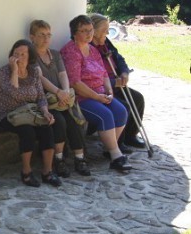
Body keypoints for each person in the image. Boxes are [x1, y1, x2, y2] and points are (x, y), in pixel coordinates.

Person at [60, 15, 132, 171]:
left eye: (91, 30)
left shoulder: (92, 49)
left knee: (121, 111)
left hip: (100, 93)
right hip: (82, 97)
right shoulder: (71, 52)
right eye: (84, 31)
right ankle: (116, 156)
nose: (89, 34)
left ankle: (110, 148)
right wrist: (97, 97)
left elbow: (104, 73)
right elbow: (75, 83)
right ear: (74, 33)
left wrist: (109, 92)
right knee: (105, 115)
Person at [0, 39, 61, 187]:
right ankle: (26, 172)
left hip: (30, 112)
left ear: (30, 56)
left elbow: (41, 96)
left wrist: (45, 111)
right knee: (27, 131)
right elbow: (14, 93)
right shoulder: (3, 72)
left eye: (23, 54)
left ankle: (47, 172)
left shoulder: (34, 72)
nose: (19, 57)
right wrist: (15, 71)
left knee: (47, 128)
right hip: (9, 114)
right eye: (16, 54)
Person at [29, 20, 91, 177]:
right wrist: (58, 92)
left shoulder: (55, 54)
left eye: (48, 35)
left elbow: (63, 74)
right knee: (59, 121)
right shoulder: (31, 57)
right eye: (41, 35)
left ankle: (79, 158)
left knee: (73, 120)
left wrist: (65, 92)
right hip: (45, 101)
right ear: (32, 37)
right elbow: (40, 78)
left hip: (62, 99)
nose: (46, 38)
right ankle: (58, 159)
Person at [89, 13, 146, 149]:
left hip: (116, 83)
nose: (107, 33)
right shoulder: (89, 48)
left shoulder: (105, 42)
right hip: (102, 88)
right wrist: (114, 83)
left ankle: (131, 136)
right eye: (104, 30)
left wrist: (124, 72)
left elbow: (119, 58)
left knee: (138, 98)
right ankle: (117, 143)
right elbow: (93, 77)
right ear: (94, 31)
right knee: (124, 106)